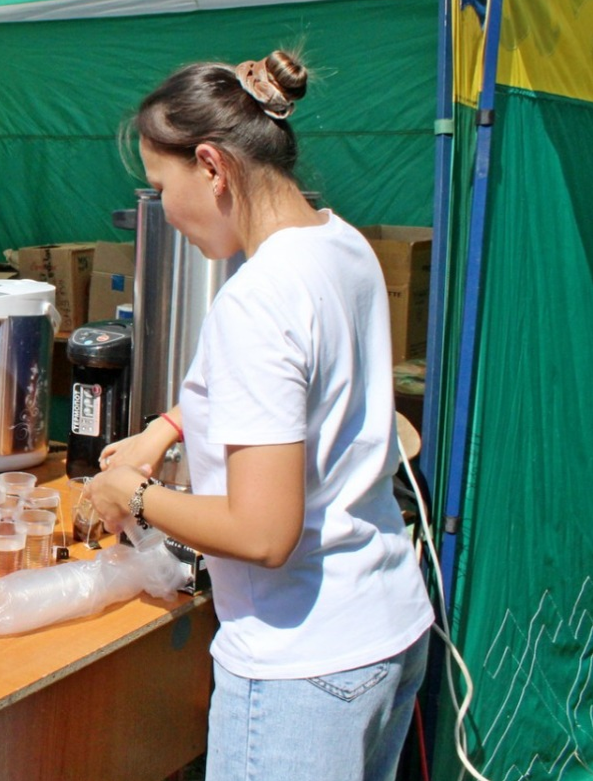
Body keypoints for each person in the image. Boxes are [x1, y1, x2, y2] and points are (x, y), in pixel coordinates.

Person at [88, 50, 434, 781]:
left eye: (161, 187)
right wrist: (166, 427)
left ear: (211, 166)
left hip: (300, 665)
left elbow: (263, 531)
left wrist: (137, 496)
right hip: (386, 628)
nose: (163, 212)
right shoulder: (341, 245)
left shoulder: (256, 299)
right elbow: (292, 388)